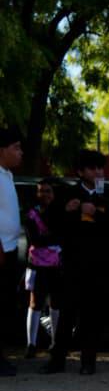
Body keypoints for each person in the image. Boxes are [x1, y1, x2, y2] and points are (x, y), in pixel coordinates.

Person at [44, 148, 109, 376]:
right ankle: (57, 360)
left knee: (92, 315)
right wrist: (71, 212)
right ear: (81, 171)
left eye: (100, 167)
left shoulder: (107, 196)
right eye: (92, 168)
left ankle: (89, 362)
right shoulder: (67, 194)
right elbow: (50, 223)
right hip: (72, 264)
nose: (98, 172)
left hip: (98, 266)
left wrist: (95, 212)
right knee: (66, 313)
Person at [24, 177, 63, 359]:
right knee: (35, 302)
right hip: (36, 264)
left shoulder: (60, 212)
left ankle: (55, 343)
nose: (44, 194)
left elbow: (62, 236)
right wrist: (51, 240)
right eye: (41, 191)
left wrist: (49, 240)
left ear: (54, 194)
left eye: (48, 191)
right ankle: (31, 344)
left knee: (55, 302)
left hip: (56, 265)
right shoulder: (31, 212)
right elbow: (35, 239)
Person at [0, 127, 24, 377]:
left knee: (6, 305)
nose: (20, 153)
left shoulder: (6, 175)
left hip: (10, 247)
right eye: (16, 147)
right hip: (1, 249)